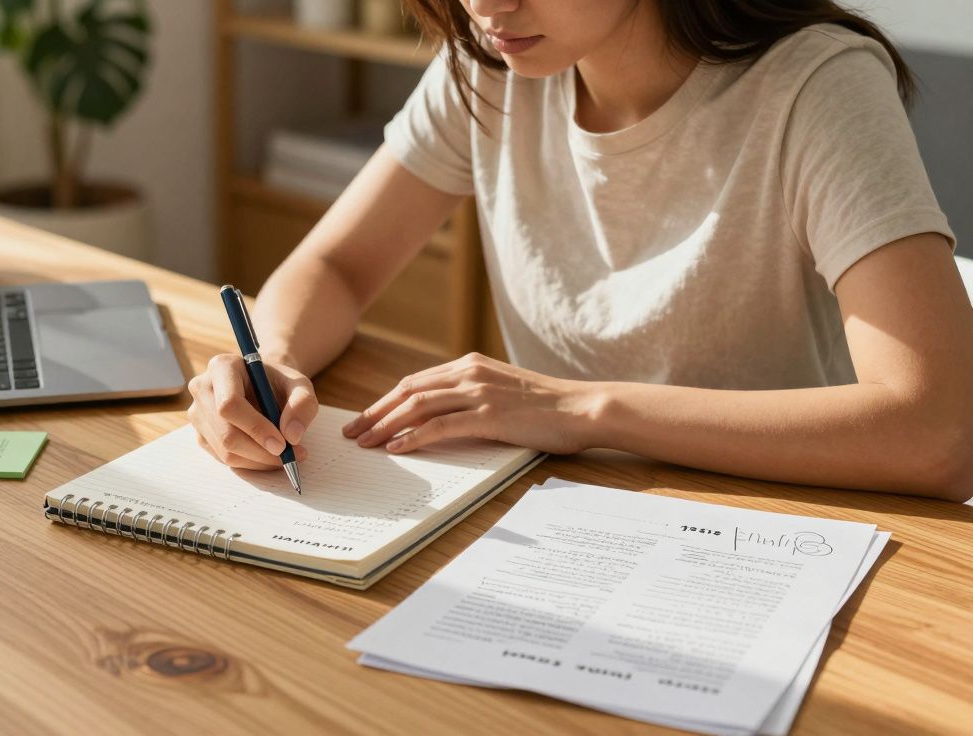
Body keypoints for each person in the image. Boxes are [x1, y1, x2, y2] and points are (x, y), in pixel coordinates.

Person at [188, 0, 973, 502]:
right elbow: (339, 264)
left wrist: (581, 408)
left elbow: (937, 431)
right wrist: (276, 364)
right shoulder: (488, 67)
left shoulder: (815, 89)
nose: (486, 5)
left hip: (775, 525)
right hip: (562, 509)